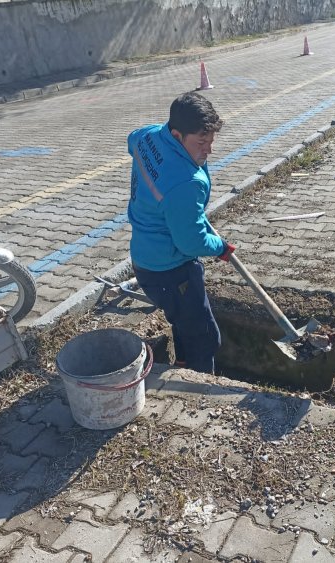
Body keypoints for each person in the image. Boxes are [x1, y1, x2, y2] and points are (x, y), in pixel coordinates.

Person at [127, 92, 235, 374]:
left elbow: (132, 138)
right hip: (171, 270)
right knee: (205, 338)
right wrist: (220, 247)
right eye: (201, 142)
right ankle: (199, 387)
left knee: (184, 320)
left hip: (145, 258)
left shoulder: (149, 137)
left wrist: (188, 213)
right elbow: (191, 241)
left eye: (211, 141)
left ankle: (183, 363)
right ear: (177, 135)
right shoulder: (185, 183)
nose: (209, 150)